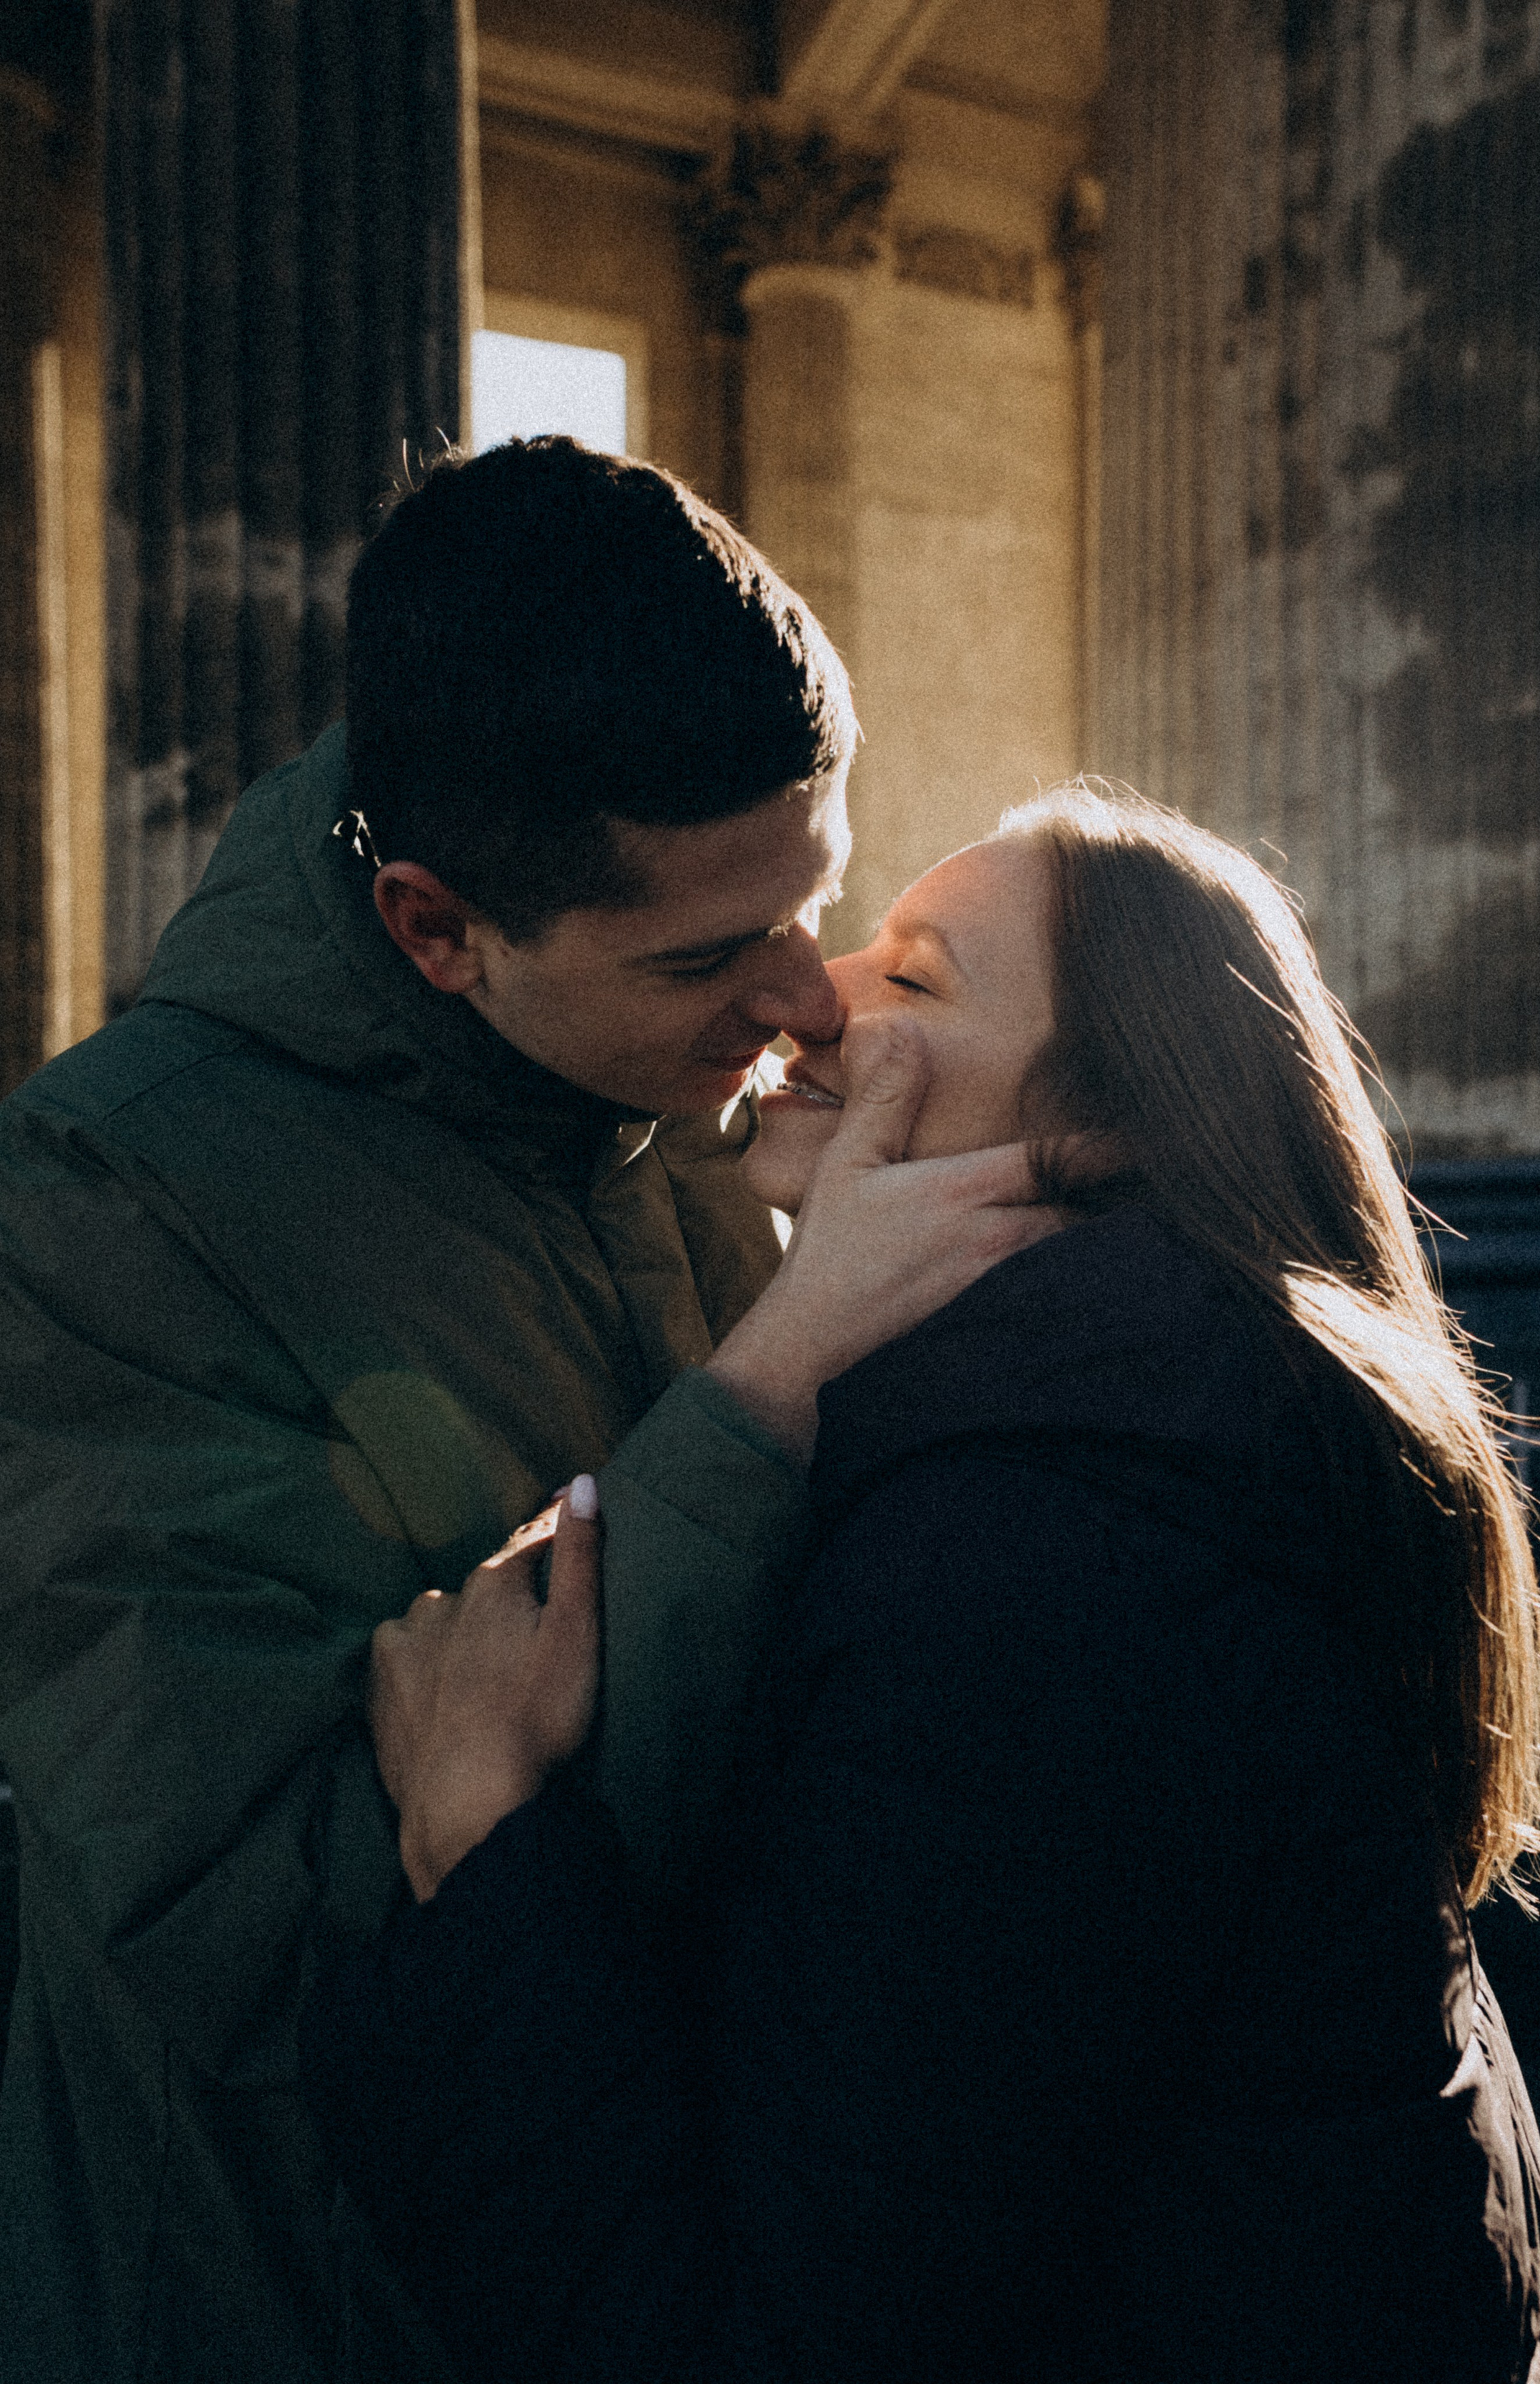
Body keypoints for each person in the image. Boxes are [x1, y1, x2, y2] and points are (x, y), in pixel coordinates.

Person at [307, 785, 1540, 2383]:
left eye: (910, 979)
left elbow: (756, 2344)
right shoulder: (1149, 1447)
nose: (804, 993)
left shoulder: (1041, 1580)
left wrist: (487, 1864)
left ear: (1098, 1128)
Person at [0, 438, 1048, 2384]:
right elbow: (284, 1927)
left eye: (806, 901)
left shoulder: (735, 1113)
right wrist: (772, 1391)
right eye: (703, 956)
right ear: (433, 930)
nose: (810, 1003)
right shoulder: (95, 1206)